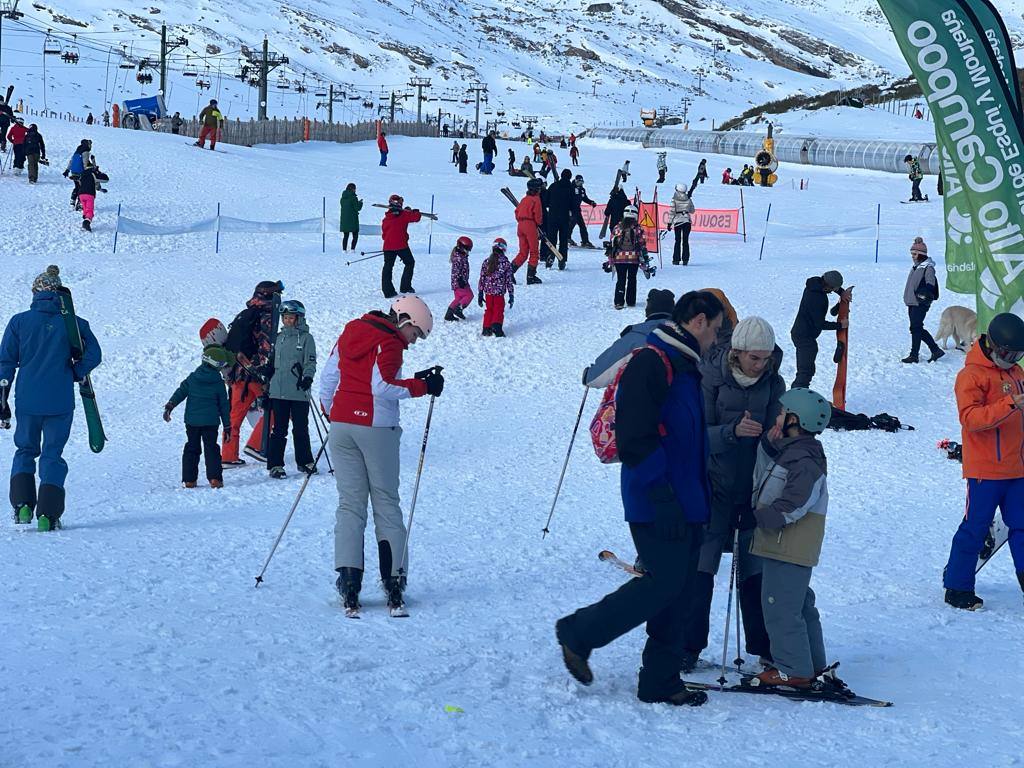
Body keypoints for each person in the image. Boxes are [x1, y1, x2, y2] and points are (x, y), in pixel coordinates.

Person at [555, 291, 725, 707]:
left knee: (680, 590)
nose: (717, 339)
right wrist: (663, 496)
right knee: (663, 584)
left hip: (687, 500)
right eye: (717, 329)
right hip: (657, 500)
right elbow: (635, 438)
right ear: (698, 321)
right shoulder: (653, 362)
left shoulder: (685, 366)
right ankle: (579, 631)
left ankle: (660, 680)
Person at [320, 296, 444, 616]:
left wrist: (336, 414)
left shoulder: (352, 330)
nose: (413, 342)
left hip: (342, 428)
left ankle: (349, 583)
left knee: (350, 505)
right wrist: (422, 386)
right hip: (377, 429)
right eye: (415, 334)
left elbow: (329, 379)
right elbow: (383, 386)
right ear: (404, 320)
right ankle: (394, 582)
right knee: (386, 504)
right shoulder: (390, 343)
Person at [680, 316, 784, 672]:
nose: (762, 364)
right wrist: (731, 432)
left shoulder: (773, 382)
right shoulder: (709, 378)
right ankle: (688, 646)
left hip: (752, 489)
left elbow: (777, 439)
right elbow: (692, 437)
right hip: (711, 487)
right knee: (701, 569)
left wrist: (775, 439)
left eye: (766, 358)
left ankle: (766, 647)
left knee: (754, 573)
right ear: (737, 353)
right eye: (755, 358)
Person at [749, 387, 839, 689]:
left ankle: (793, 670)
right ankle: (811, 663)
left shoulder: (804, 461)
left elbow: (794, 504)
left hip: (789, 544)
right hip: (786, 545)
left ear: (794, 420)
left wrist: (758, 517)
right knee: (799, 604)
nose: (777, 417)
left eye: (781, 413)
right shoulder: (795, 453)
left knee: (780, 608)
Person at [1, 266, 102, 531]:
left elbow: (6, 362)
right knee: (52, 454)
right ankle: (48, 514)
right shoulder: (75, 324)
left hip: (28, 399)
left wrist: (3, 397)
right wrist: (74, 372)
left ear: (35, 293)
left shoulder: (18, 322)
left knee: (25, 449)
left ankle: (22, 506)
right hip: (59, 401)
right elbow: (94, 355)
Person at [942, 313, 1024, 611]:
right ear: (994, 346)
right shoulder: (971, 375)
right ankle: (957, 586)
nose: (1013, 359)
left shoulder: (1016, 372)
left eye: (1018, 355)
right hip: (986, 470)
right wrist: (1010, 403)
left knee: (1022, 526)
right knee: (976, 527)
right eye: (1009, 354)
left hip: (1018, 468)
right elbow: (971, 419)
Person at [222, 280, 284, 465]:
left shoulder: (245, 314)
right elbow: (265, 347)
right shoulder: (266, 316)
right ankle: (256, 445)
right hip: (254, 375)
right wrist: (264, 374)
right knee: (276, 407)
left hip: (237, 374)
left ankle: (228, 456)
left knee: (234, 418)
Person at [163, 347, 232, 489]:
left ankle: (189, 480)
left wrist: (170, 406)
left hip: (192, 422)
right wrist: (227, 426)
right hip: (211, 422)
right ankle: (215, 479)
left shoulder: (193, 378)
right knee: (211, 448)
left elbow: (180, 392)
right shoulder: (218, 383)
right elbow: (224, 406)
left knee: (192, 448)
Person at [265, 300, 317, 479]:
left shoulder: (306, 338)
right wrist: (267, 372)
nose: (287, 321)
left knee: (301, 428)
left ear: (299, 318)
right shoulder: (279, 338)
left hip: (298, 390)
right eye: (285, 317)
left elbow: (310, 362)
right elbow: (273, 363)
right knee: (279, 429)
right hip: (278, 391)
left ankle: (304, 461)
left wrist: (307, 377)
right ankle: (275, 465)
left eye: (291, 318)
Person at [583, 289, 675, 388]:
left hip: (644, 400)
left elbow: (595, 378)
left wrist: (588, 375)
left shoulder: (635, 337)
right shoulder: (688, 335)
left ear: (648, 310)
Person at [789, 270, 848, 389]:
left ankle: (799, 395)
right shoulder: (818, 299)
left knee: (806, 370)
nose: (834, 291)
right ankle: (795, 400)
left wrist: (842, 292)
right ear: (829, 287)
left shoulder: (814, 284)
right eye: (834, 289)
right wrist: (840, 325)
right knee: (805, 372)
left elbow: (831, 286)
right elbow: (819, 324)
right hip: (804, 337)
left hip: (801, 333)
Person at [902, 237, 944, 364]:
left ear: (921, 254)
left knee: (916, 328)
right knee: (916, 328)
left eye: (914, 254)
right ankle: (935, 350)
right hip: (912, 302)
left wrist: (922, 296)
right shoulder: (917, 266)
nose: (913, 256)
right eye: (912, 254)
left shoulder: (928, 267)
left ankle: (915, 355)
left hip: (919, 303)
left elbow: (930, 284)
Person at [381, 194, 423, 298]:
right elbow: (416, 217)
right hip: (401, 245)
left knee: (388, 267)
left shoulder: (386, 218)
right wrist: (415, 211)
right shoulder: (404, 215)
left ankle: (388, 291)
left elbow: (384, 233)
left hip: (388, 246)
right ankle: (405, 287)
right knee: (409, 263)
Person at [605, 205, 648, 310]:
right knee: (632, 279)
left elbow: (612, 243)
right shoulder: (638, 228)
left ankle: (619, 301)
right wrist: (644, 259)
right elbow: (642, 243)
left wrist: (610, 258)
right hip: (634, 258)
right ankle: (631, 300)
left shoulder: (617, 227)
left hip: (619, 258)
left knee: (621, 279)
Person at [477, 237, 515, 337]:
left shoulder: (486, 262)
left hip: (488, 292)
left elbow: (482, 278)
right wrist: (511, 294)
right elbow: (509, 281)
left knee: (489, 309)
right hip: (499, 293)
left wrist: (480, 293)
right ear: (504, 249)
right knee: (498, 309)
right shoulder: (506, 263)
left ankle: (486, 328)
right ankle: (497, 327)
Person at [513, 177, 545, 285]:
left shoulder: (524, 199)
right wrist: (538, 225)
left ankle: (510, 272)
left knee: (523, 252)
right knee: (534, 252)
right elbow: (538, 216)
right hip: (530, 225)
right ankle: (531, 276)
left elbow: (517, 212)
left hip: (520, 225)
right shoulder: (536, 199)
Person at [545, 169, 575, 269]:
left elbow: (546, 201)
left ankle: (550, 255)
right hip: (565, 217)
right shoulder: (571, 188)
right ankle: (562, 260)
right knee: (563, 240)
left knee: (552, 238)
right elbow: (574, 204)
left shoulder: (553, 186)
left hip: (552, 216)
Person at [445, 236, 474, 322]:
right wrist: (460, 280)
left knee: (458, 298)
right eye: (467, 249)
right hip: (460, 282)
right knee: (469, 295)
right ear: (461, 247)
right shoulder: (459, 258)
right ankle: (458, 309)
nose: (468, 251)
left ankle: (449, 314)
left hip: (458, 282)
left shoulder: (461, 255)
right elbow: (456, 270)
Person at [77, 162, 110, 232]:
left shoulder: (82, 174)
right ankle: (86, 223)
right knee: (89, 210)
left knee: (85, 209)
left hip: (81, 194)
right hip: (89, 194)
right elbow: (106, 179)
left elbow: (80, 183)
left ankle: (85, 219)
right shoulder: (93, 173)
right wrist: (98, 172)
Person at [669, 185, 695, 266]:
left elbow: (672, 212)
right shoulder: (688, 199)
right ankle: (685, 259)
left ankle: (676, 259)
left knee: (677, 241)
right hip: (687, 221)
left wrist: (669, 223)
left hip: (678, 222)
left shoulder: (674, 200)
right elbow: (692, 210)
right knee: (685, 241)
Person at [63, 139, 92, 210]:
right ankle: (80, 204)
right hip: (80, 172)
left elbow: (71, 161)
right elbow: (85, 163)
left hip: (73, 172)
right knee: (82, 188)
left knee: (77, 186)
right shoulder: (85, 151)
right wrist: (89, 170)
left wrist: (67, 170)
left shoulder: (77, 151)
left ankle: (72, 200)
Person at [570, 175, 597, 248]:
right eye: (579, 182)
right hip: (571, 210)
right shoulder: (571, 188)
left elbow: (584, 198)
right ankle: (567, 239)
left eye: (582, 182)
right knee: (571, 225)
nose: (580, 183)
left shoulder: (582, 190)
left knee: (582, 226)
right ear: (576, 181)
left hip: (578, 210)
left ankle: (585, 241)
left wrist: (591, 202)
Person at [340, 182, 363, 252]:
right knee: (355, 234)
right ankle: (352, 249)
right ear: (352, 189)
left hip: (344, 220)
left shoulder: (342, 198)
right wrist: (360, 203)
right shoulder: (353, 198)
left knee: (345, 236)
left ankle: (344, 250)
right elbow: (357, 208)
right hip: (353, 219)